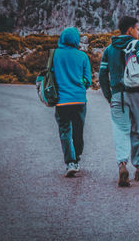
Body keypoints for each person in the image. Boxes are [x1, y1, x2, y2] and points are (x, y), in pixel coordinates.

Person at [99, 16, 139, 187]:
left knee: (121, 130)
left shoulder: (109, 49)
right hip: (136, 94)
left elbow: (102, 75)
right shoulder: (138, 45)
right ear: (130, 30)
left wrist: (108, 95)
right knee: (137, 129)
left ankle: (122, 164)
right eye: (137, 28)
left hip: (117, 95)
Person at [53, 27, 92, 177]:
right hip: (79, 100)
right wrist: (79, 81)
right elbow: (87, 81)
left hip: (61, 101)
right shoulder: (83, 57)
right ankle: (77, 158)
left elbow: (50, 76)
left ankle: (70, 162)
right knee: (78, 130)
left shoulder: (54, 55)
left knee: (64, 131)